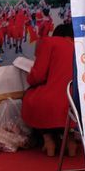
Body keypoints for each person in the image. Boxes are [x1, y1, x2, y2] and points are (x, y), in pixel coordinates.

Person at [22, 23, 76, 157]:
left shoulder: (50, 42)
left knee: (30, 97)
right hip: (77, 102)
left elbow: (37, 76)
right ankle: (70, 141)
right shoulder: (80, 46)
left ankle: (48, 140)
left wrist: (30, 77)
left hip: (55, 100)